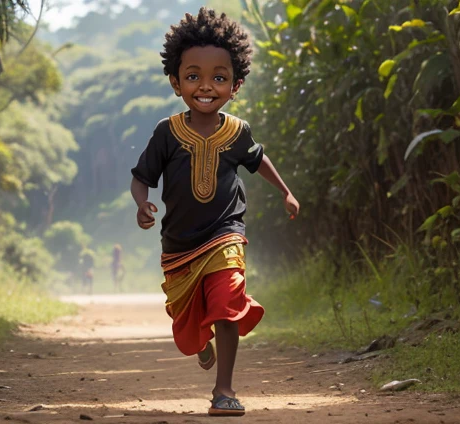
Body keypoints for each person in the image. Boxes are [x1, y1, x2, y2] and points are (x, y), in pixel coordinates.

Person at [130, 8, 299, 417]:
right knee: (185, 320)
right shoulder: (166, 132)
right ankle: (200, 341)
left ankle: (224, 390)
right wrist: (142, 204)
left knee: (227, 302)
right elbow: (141, 177)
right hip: (179, 245)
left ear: (235, 85)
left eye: (219, 77)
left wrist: (287, 192)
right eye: (193, 76)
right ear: (176, 82)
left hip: (226, 234)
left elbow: (258, 161)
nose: (206, 86)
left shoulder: (237, 131)